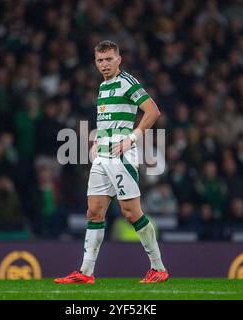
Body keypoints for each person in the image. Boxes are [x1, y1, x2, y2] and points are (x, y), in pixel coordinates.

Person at [54, 40, 169, 284]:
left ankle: (158, 268)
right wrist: (97, 139)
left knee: (130, 212)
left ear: (119, 59)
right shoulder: (103, 86)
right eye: (100, 60)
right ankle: (86, 272)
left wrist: (132, 138)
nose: (104, 64)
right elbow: (108, 119)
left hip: (121, 156)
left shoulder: (128, 82)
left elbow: (153, 111)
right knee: (94, 212)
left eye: (108, 59)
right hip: (102, 155)